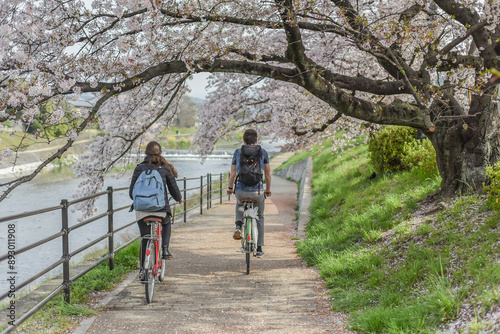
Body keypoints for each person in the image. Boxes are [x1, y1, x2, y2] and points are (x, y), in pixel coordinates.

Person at [129, 141, 182, 275]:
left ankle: (142, 270)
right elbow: (173, 189)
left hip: (142, 211)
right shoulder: (165, 168)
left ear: (146, 153)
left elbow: (131, 193)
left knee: (145, 238)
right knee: (167, 223)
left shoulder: (139, 168)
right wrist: (179, 198)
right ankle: (164, 249)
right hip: (161, 210)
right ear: (160, 153)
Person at [227, 129, 272, 257]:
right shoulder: (263, 152)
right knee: (260, 217)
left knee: (239, 204)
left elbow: (233, 173)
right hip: (257, 191)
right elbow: (267, 175)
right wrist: (267, 189)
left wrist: (230, 188)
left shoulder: (238, 152)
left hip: (241, 190)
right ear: (256, 141)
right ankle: (259, 248)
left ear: (244, 141)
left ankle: (238, 226)